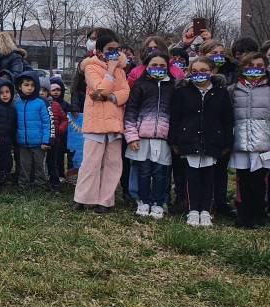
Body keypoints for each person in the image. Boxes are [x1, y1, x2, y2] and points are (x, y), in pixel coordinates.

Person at [170, 56, 234, 227]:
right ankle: (193, 210)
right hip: (189, 139)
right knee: (192, 177)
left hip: (212, 140)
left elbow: (227, 120)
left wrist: (227, 143)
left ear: (212, 71)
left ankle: (205, 210)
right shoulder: (183, 92)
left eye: (204, 71)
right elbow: (175, 118)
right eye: (195, 71)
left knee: (209, 177)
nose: (199, 74)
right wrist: (174, 141)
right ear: (190, 73)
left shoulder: (221, 93)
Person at [73, 31, 130, 213]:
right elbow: (99, 89)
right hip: (95, 123)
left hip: (114, 122)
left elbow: (125, 91)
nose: (114, 53)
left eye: (116, 49)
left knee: (113, 164)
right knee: (90, 163)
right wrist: (110, 71)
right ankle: (82, 198)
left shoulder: (121, 70)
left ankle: (105, 201)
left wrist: (112, 97)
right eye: (109, 49)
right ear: (99, 51)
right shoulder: (91, 67)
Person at [124, 51, 175, 220]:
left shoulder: (173, 87)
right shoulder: (140, 86)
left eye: (162, 66)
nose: (158, 68)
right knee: (143, 172)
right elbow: (130, 112)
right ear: (147, 67)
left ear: (168, 68)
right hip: (142, 137)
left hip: (163, 139)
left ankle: (158, 203)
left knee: (161, 172)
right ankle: (143, 201)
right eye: (154, 65)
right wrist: (131, 137)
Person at [228, 53, 270, 228]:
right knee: (243, 179)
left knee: (260, 180)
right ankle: (243, 214)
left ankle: (259, 214)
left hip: (264, 143)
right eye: (250, 65)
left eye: (260, 65)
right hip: (241, 141)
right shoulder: (233, 89)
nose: (255, 68)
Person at [14, 71, 53, 189]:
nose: (30, 88)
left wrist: (46, 140)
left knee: (39, 165)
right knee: (24, 165)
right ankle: (23, 185)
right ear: (20, 87)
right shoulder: (17, 103)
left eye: (32, 85)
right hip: (23, 143)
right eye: (26, 85)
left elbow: (48, 122)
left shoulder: (42, 102)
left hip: (39, 143)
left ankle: (40, 186)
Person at [47, 77, 70, 188]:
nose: (56, 92)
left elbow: (66, 119)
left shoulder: (65, 105)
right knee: (51, 158)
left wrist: (61, 129)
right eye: (53, 90)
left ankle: (61, 174)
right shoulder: (46, 104)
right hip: (49, 135)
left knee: (60, 156)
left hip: (62, 136)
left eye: (58, 89)